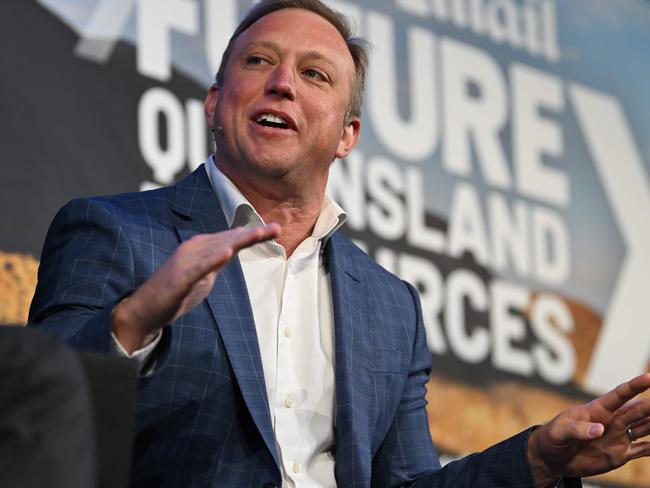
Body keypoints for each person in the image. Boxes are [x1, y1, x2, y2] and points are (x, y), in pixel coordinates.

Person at [29, 0, 650, 486]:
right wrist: (136, 321)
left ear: (347, 135)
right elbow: (35, 413)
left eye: (314, 74)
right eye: (257, 62)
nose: (281, 84)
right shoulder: (114, 230)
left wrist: (540, 457)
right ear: (215, 103)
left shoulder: (390, 306)